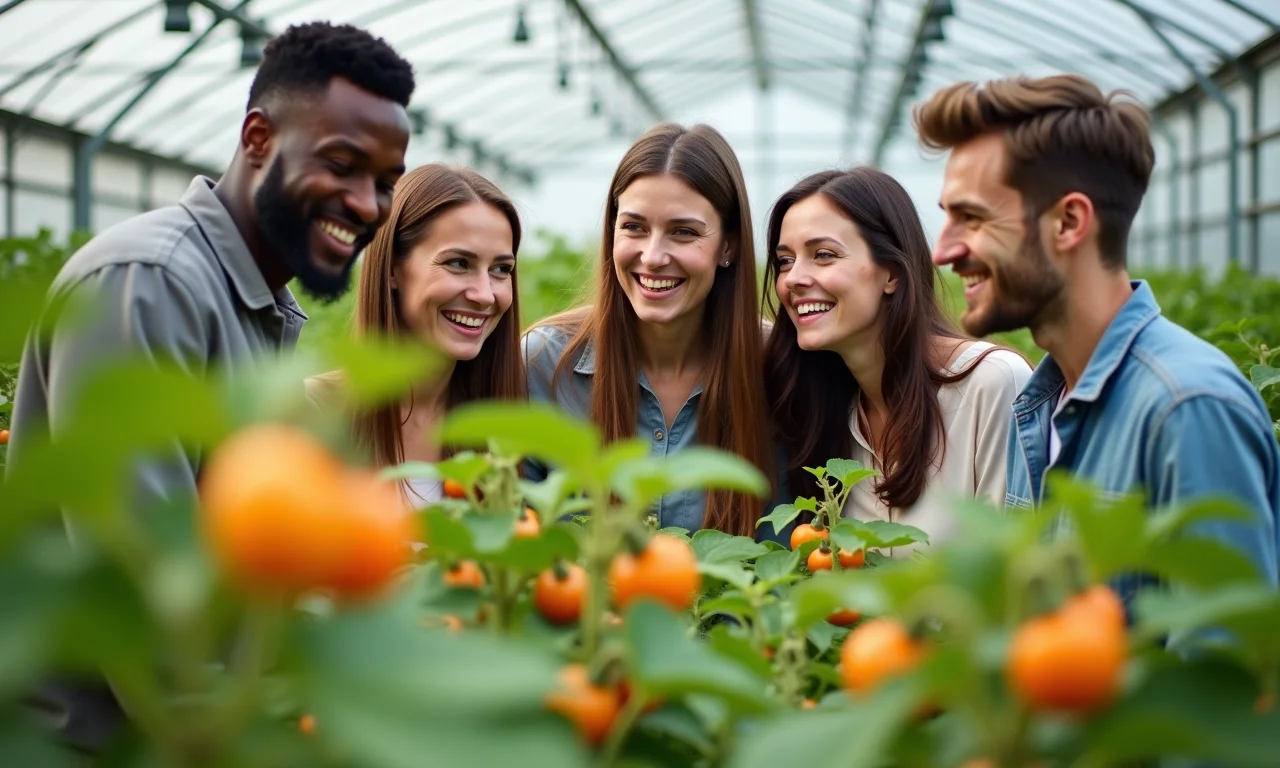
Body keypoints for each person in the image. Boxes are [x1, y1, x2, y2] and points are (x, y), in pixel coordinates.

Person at [7, 22, 415, 753]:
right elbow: (146, 587)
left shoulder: (254, 301)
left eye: (385, 182)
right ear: (258, 138)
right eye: (342, 165)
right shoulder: (150, 281)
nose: (367, 204)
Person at [915, 74, 1280, 600]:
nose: (943, 251)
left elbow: (1220, 646)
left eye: (971, 218)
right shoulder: (1036, 406)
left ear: (1068, 222)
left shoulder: (1187, 408)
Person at [522, 123, 783, 541]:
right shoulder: (542, 365)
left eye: (683, 232)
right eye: (634, 227)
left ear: (729, 246)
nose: (653, 256)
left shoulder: (780, 370)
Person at [764, 167, 1032, 554]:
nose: (792, 279)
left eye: (823, 255)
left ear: (891, 273)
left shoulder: (991, 385)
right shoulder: (823, 413)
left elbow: (1017, 565)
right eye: (785, 261)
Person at [306, 164, 525, 507]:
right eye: (458, 263)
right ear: (393, 269)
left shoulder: (503, 423)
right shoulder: (316, 414)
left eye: (501, 269)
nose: (485, 294)